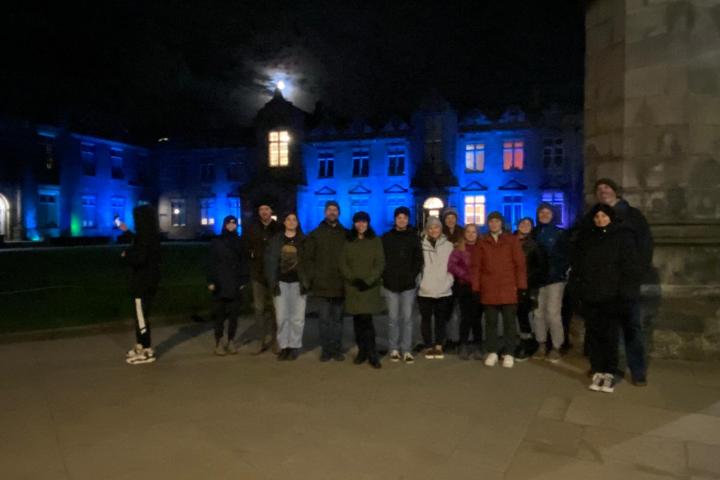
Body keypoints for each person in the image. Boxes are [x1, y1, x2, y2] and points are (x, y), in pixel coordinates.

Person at [570, 203, 642, 393]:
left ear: (610, 217)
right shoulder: (588, 238)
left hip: (613, 296)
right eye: (597, 217)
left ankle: (610, 370)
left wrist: (625, 293)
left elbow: (629, 267)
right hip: (592, 294)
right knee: (594, 334)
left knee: (610, 335)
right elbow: (580, 266)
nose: (600, 220)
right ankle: (597, 368)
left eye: (603, 216)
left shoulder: (622, 236)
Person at [593, 178, 653, 385]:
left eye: (607, 187)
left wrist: (636, 276)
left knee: (632, 329)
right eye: (599, 189)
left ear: (616, 191)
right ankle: (612, 369)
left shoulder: (633, 216)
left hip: (627, 286)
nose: (603, 191)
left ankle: (638, 371)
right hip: (605, 288)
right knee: (609, 331)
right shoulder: (594, 218)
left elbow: (645, 248)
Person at [471, 211, 526, 368]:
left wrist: (522, 286)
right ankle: (493, 351)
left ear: (501, 223)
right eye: (491, 221)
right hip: (489, 288)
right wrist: (476, 287)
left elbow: (520, 265)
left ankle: (509, 352)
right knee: (490, 323)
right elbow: (476, 267)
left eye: (496, 221)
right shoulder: (482, 242)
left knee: (509, 323)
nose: (494, 224)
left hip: (508, 287)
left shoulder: (511, 240)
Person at [339, 211, 385, 369]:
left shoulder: (375, 240)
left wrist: (368, 281)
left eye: (364, 221)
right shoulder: (348, 241)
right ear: (354, 223)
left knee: (367, 321)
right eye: (358, 222)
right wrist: (353, 279)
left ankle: (372, 353)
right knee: (357, 321)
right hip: (354, 287)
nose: (361, 224)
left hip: (369, 288)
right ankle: (362, 351)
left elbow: (380, 264)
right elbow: (343, 263)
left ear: (368, 223)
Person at [305, 201, 347, 362]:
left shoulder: (345, 234)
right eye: (329, 210)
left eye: (335, 210)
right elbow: (309, 259)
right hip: (321, 285)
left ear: (339, 213)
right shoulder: (315, 234)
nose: (332, 212)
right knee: (323, 321)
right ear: (324, 212)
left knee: (337, 320)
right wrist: (313, 278)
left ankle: (336, 349)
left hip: (339, 284)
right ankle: (326, 349)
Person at [265, 212, 309, 361]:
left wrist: (308, 281)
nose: (291, 222)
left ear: (297, 223)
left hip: (298, 283)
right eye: (288, 219)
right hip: (281, 283)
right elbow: (270, 262)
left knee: (297, 318)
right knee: (282, 317)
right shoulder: (276, 240)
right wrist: (273, 281)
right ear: (284, 222)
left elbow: (310, 262)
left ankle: (294, 346)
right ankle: (284, 346)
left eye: (294, 219)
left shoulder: (303, 240)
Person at [120, 204, 161, 365]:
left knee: (141, 317)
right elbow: (140, 242)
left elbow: (140, 257)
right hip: (149, 281)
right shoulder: (151, 235)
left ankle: (146, 348)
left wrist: (126, 254)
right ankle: (140, 345)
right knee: (141, 315)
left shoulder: (145, 238)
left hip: (142, 283)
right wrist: (127, 232)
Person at [382, 206, 423, 364]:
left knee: (406, 318)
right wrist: (385, 275)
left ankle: (406, 349)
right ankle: (393, 348)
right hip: (390, 284)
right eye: (399, 217)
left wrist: (412, 275)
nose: (402, 220)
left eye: (404, 217)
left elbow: (418, 260)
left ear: (408, 220)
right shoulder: (386, 237)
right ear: (395, 220)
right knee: (393, 318)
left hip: (408, 284)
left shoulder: (413, 237)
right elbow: (382, 258)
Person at [531, 203, 570, 363]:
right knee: (538, 313)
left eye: (547, 212)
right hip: (538, 280)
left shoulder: (560, 233)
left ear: (553, 215)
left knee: (553, 313)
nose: (544, 215)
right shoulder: (534, 233)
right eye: (541, 212)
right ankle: (541, 344)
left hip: (554, 279)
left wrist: (559, 271)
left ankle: (556, 346)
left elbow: (566, 255)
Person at [241, 200, 280, 353]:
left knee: (276, 308)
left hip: (275, 274)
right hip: (257, 274)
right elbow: (245, 247)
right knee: (259, 308)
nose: (264, 212)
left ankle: (277, 339)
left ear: (271, 211)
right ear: (258, 212)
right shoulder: (252, 228)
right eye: (261, 209)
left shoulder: (278, 228)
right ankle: (261, 339)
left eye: (267, 209)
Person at [207, 215, 248, 356]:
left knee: (234, 316)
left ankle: (231, 340)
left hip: (235, 283)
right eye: (229, 223)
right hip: (219, 282)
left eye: (234, 223)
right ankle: (218, 341)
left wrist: (243, 281)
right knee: (219, 315)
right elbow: (210, 262)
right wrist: (211, 281)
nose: (231, 226)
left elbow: (244, 262)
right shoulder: (217, 241)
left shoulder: (239, 241)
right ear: (224, 225)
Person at [417, 216, 455, 360]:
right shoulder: (421, 245)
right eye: (431, 227)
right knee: (426, 320)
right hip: (425, 289)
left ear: (441, 229)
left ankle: (439, 346)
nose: (434, 230)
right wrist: (420, 282)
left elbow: (453, 267)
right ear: (427, 230)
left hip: (443, 289)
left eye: (436, 227)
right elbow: (418, 267)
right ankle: (428, 346)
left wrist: (449, 281)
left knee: (441, 320)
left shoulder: (449, 245)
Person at [448, 223, 484, 360]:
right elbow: (451, 265)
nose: (470, 234)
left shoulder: (482, 248)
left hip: (480, 287)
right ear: (464, 233)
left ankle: (478, 345)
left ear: (477, 234)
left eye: (473, 232)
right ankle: (463, 344)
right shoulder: (459, 249)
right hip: (465, 287)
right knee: (465, 317)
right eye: (468, 231)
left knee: (477, 318)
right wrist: (465, 275)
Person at [513, 217, 545, 361]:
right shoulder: (510, 240)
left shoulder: (534, 245)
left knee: (523, 314)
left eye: (528, 224)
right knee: (511, 314)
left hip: (526, 284)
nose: (525, 226)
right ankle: (514, 342)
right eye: (522, 223)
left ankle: (527, 343)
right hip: (509, 283)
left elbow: (539, 267)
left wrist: (530, 282)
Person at [441, 207, 464, 351]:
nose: (450, 220)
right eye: (448, 217)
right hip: (445, 275)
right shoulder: (440, 233)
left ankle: (461, 339)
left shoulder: (462, 232)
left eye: (453, 217)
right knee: (446, 311)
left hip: (460, 276)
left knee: (462, 310)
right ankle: (448, 339)